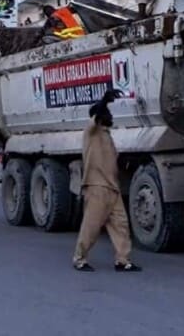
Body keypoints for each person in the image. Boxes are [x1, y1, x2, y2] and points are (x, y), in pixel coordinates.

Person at [73, 90, 142, 273]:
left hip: (112, 188)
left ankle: (122, 260)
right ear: (100, 117)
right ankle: (80, 259)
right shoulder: (91, 132)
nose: (111, 117)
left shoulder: (106, 135)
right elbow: (96, 115)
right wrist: (104, 101)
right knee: (91, 226)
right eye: (108, 114)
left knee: (121, 225)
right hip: (96, 187)